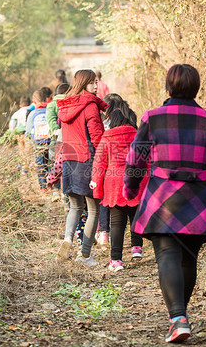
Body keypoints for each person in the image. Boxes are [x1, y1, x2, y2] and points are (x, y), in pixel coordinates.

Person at [123, 64, 206, 343]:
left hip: (162, 198)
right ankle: (180, 317)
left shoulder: (153, 117)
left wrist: (130, 187)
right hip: (199, 200)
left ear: (168, 87)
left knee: (167, 255)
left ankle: (178, 318)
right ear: (196, 88)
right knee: (188, 257)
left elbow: (136, 159)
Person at [55, 69, 108, 267]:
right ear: (84, 83)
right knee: (94, 208)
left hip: (69, 160)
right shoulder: (90, 106)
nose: (96, 86)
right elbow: (97, 137)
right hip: (88, 160)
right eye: (92, 82)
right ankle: (84, 255)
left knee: (75, 206)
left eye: (96, 82)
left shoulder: (65, 106)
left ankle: (68, 239)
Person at [91, 108, 147, 272]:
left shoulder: (106, 138)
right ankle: (137, 248)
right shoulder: (137, 135)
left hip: (114, 185)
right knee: (135, 217)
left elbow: (99, 165)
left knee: (117, 224)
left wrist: (96, 187)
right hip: (135, 182)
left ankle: (116, 260)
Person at [95, 93, 139, 246]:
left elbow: (100, 155)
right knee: (132, 211)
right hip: (131, 172)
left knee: (107, 204)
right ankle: (136, 246)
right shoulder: (129, 117)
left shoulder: (106, 124)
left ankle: (104, 234)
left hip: (110, 170)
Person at [25, 89, 51, 190]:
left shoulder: (32, 114)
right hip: (50, 142)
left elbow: (28, 131)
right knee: (51, 164)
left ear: (34, 102)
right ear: (46, 100)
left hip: (38, 144)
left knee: (41, 166)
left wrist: (30, 140)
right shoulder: (49, 111)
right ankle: (52, 187)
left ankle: (43, 188)